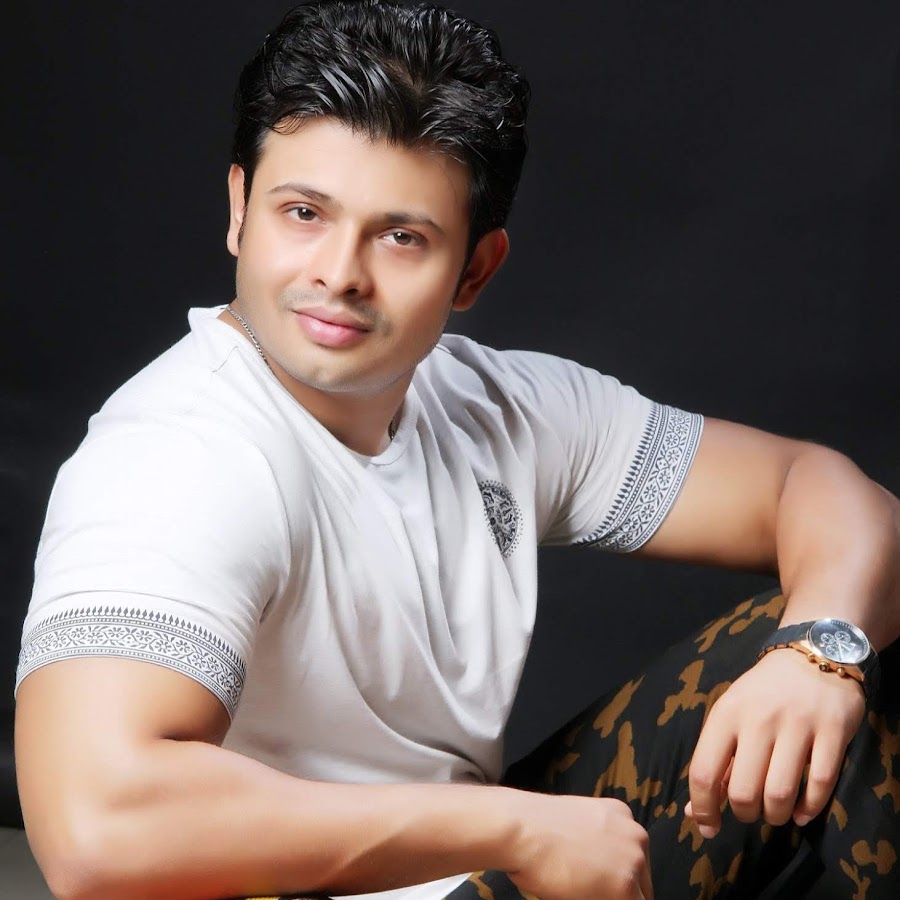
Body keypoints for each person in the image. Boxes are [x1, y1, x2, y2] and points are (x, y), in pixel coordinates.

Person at [14, 2, 899, 899]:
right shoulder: (177, 457)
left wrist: (821, 654)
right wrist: (514, 826)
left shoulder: (497, 408)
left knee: (851, 635)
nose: (339, 274)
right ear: (241, 210)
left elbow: (817, 490)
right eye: (304, 213)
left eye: (401, 236)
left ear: (476, 268)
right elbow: (96, 832)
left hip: (470, 869)